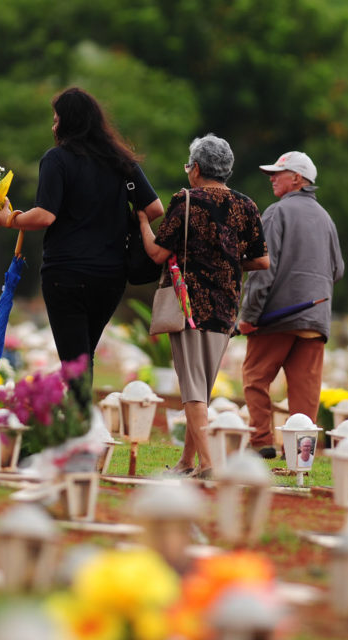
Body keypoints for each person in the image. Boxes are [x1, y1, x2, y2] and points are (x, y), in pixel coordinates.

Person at [0, 87, 163, 395]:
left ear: (69, 123)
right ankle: (79, 427)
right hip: (110, 275)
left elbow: (45, 216)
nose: (53, 127)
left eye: (56, 120)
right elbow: (155, 208)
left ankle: (81, 430)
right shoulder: (121, 161)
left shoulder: (57, 159)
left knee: (74, 362)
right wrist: (128, 221)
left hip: (66, 274)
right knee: (82, 357)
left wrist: (10, 219)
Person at [137, 134, 268, 478]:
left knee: (193, 388)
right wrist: (227, 261)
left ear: (195, 168)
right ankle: (186, 461)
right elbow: (261, 260)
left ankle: (209, 464)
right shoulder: (247, 205)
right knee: (202, 387)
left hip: (189, 307)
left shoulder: (187, 201)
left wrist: (141, 222)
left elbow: (157, 253)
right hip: (226, 307)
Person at [239, 151, 344, 459]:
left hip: (275, 317)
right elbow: (338, 270)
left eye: (278, 173)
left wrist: (249, 315)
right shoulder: (326, 218)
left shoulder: (276, 212)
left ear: (298, 179)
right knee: (305, 392)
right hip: (315, 318)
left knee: (255, 378)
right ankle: (300, 455)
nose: (272, 178)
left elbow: (263, 269)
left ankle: (261, 441)